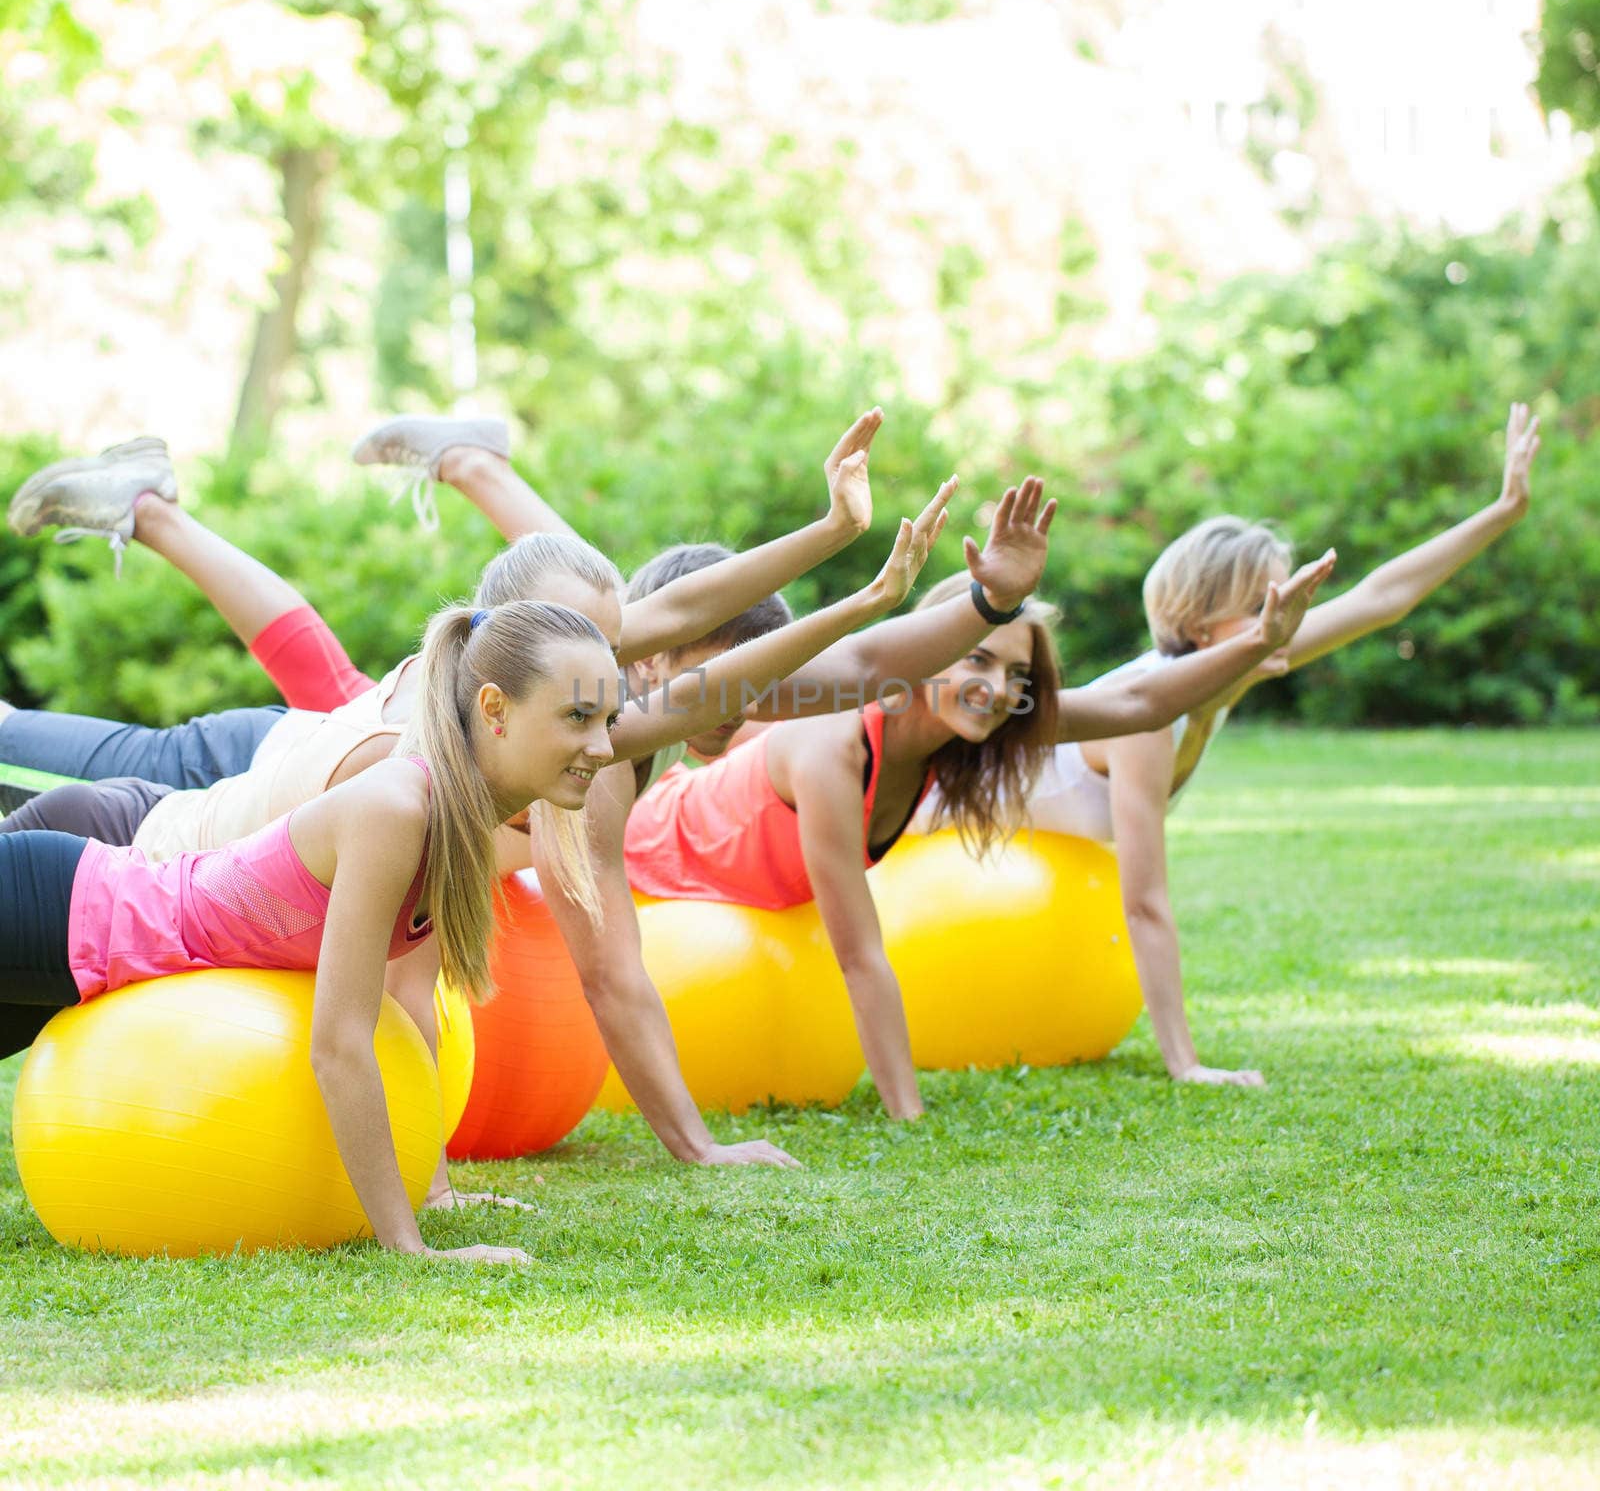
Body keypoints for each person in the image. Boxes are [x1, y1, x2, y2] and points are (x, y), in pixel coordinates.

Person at [623, 511, 1337, 1118]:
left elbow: (1138, 705)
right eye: (976, 661)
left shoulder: (976, 726)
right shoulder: (834, 747)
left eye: (1017, 674)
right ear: (925, 656)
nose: (998, 689)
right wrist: (909, 1114)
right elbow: (860, 955)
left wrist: (1259, 644)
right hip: (659, 849)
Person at [0, 599, 620, 1261]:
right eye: (578, 717)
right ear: (494, 710)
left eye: (609, 720)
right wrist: (412, 1250)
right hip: (70, 912)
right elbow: (340, 1042)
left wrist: (433, 1188)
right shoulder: (396, 810)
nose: (605, 746)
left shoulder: (459, 830)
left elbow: (408, 1015)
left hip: (91, 944)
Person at [970, 404, 1540, 1088]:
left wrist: (1504, 510)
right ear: (1201, 625)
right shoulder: (1148, 713)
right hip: (932, 828)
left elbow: (1381, 597)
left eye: (1288, 599)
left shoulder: (1233, 666)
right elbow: (1143, 898)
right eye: (1268, 602)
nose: (1286, 617)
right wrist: (1186, 1066)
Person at [0, 411, 894, 787]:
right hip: (242, 763)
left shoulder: (599, 695)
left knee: (340, 680)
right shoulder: (589, 674)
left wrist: (849, 552)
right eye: (729, 669)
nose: (744, 702)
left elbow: (840, 673)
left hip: (308, 749)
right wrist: (833, 538)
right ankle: (473, 463)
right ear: (667, 649)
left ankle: (151, 512)